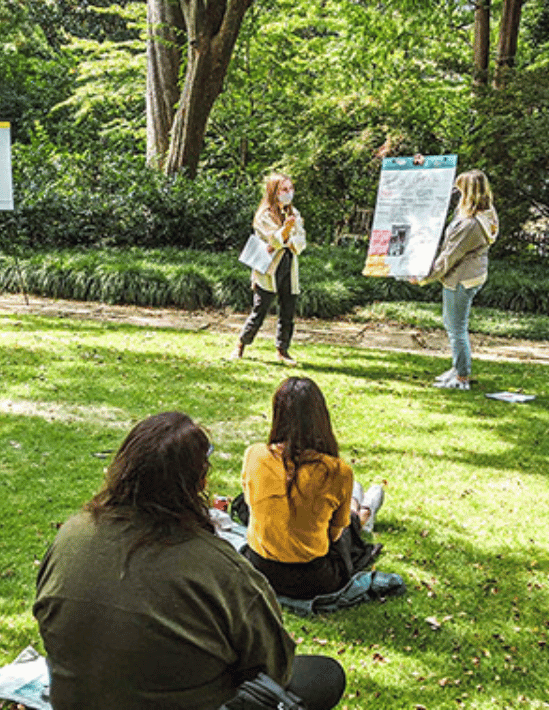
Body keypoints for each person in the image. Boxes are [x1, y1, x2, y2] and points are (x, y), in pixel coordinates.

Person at [34, 411, 345, 710]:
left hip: (74, 701)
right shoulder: (222, 569)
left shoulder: (71, 535)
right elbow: (273, 670)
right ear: (198, 482)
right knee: (323, 674)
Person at [241, 377, 383, 600]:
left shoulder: (254, 455)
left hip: (259, 568)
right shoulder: (336, 471)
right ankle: (362, 511)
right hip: (312, 578)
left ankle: (359, 505)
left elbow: (250, 505)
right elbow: (335, 534)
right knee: (346, 529)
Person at [413, 168, 498, 389]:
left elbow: (449, 257)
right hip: (472, 275)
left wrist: (423, 277)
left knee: (456, 328)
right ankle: (457, 368)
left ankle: (462, 377)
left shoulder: (470, 226)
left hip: (462, 279)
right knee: (453, 324)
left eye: (460, 191)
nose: (457, 195)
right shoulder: (484, 214)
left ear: (469, 194)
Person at [236, 173, 306, 365]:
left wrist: (286, 239)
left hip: (288, 266)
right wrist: (283, 233)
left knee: (288, 310)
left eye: (291, 189)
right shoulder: (264, 215)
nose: (289, 193)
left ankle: (282, 350)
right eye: (284, 189)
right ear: (274, 191)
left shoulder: (294, 213)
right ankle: (242, 343)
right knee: (260, 310)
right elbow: (271, 241)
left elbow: (301, 241)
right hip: (268, 268)